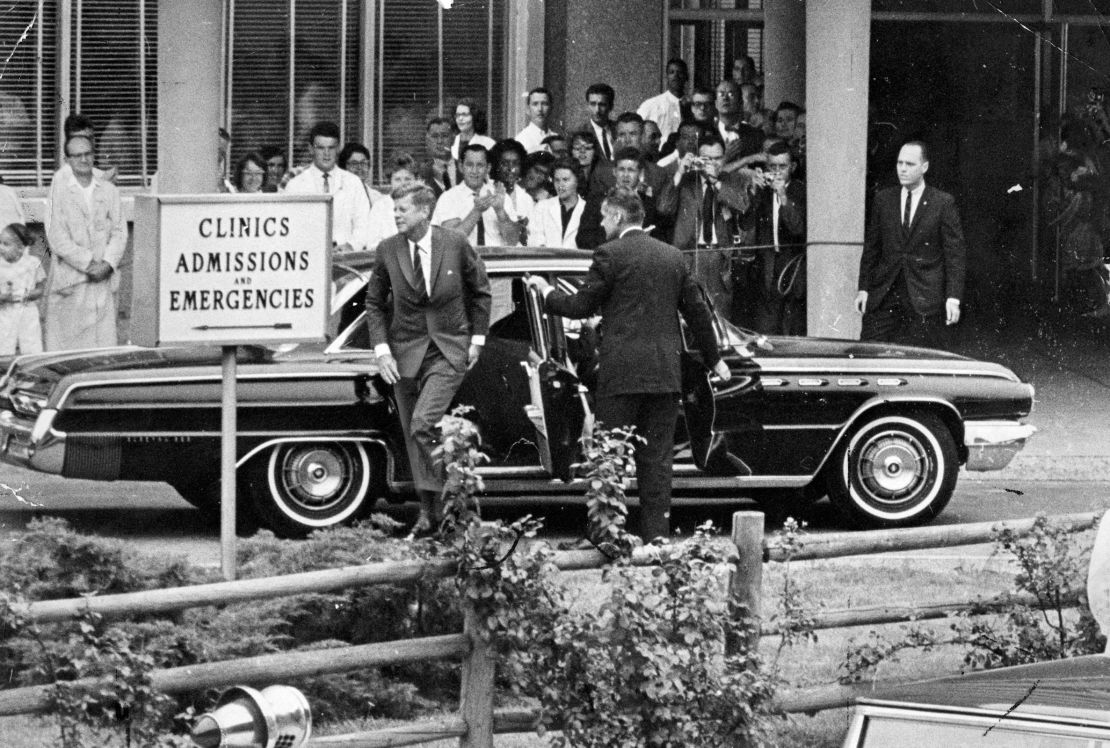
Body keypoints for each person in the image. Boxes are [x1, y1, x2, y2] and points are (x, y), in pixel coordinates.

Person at [525, 187, 730, 543]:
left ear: (619, 217)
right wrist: (715, 360)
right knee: (656, 463)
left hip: (620, 376)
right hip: (665, 376)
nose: (602, 224)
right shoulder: (672, 256)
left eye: (605, 216)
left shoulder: (609, 254)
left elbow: (580, 307)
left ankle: (607, 535)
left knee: (610, 458)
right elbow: (697, 314)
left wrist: (545, 292)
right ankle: (656, 539)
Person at [365, 183, 492, 535]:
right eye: (394, 209)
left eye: (402, 208)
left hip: (448, 350)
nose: (396, 214)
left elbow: (481, 291)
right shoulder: (388, 250)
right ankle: (429, 513)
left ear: (424, 211)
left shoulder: (454, 243)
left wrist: (476, 340)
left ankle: (458, 494)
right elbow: (374, 303)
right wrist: (382, 350)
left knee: (423, 424)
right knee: (414, 435)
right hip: (404, 355)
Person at [855, 141, 967, 350]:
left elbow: (955, 255)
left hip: (924, 297)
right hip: (885, 293)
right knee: (869, 352)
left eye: (909, 164)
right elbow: (872, 248)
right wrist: (863, 288)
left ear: (924, 167)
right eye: (899, 163)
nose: (903, 169)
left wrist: (953, 297)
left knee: (923, 358)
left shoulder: (942, 203)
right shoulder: (883, 200)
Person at [45, 134, 127, 351]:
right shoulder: (59, 191)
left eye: (88, 154)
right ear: (68, 160)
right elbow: (56, 236)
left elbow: (120, 232)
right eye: (77, 155)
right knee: (70, 350)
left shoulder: (109, 190)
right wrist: (89, 264)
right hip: (72, 281)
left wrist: (107, 264)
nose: (84, 159)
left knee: (102, 350)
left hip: (103, 280)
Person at [658, 132, 751, 319]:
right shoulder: (687, 182)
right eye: (707, 159)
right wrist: (679, 172)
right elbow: (663, 208)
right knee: (689, 317)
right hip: (690, 256)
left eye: (717, 158)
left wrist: (715, 181)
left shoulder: (732, 180)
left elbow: (742, 206)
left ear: (724, 158)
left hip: (719, 257)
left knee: (720, 317)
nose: (713, 164)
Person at [740, 141, 807, 335]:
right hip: (766, 268)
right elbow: (745, 224)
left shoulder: (801, 191)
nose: (777, 172)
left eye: (782, 167)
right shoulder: (762, 191)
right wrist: (753, 192)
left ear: (793, 167)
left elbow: (798, 228)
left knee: (792, 329)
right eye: (772, 167)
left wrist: (783, 196)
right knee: (765, 331)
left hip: (792, 267)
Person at [285, 121, 371, 253]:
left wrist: (351, 245)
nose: (326, 154)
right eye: (320, 148)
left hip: (345, 258)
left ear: (338, 149)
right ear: (311, 149)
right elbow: (291, 228)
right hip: (308, 256)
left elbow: (364, 224)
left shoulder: (353, 182)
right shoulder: (295, 185)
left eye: (331, 148)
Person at [431, 143, 522, 247]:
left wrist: (500, 212)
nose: (474, 171)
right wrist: (476, 211)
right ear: (461, 167)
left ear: (488, 168)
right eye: (469, 165)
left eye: (480, 165)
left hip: (497, 261)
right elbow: (451, 241)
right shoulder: (449, 198)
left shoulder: (499, 195)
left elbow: (513, 241)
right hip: (463, 262)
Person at [579, 147, 667, 248]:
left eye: (631, 170)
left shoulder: (649, 204)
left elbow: (659, 240)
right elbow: (582, 239)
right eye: (621, 169)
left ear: (641, 174)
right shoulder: (596, 201)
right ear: (614, 172)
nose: (625, 175)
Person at [0, 222, 44, 355]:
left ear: (20, 247)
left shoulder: (32, 263)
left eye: (6, 244)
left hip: (27, 309)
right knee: (4, 345)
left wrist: (32, 294)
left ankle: (32, 371)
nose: (1, 247)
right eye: (0, 243)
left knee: (31, 344)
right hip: (6, 310)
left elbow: (41, 288)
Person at [366, 152, 419, 250]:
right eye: (398, 179)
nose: (403, 184)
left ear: (415, 179)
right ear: (390, 181)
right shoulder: (380, 207)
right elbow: (372, 245)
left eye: (408, 179)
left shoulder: (420, 203)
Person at [530, 157, 586, 248]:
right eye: (557, 180)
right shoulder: (542, 207)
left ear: (577, 180)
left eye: (565, 180)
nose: (560, 185)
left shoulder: (588, 210)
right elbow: (535, 239)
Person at [490, 138, 535, 241]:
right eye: (505, 163)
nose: (511, 169)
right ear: (496, 165)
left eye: (516, 163)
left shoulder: (526, 198)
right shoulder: (488, 193)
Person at [637, 57, 689, 142]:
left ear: (686, 77)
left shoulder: (692, 106)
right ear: (666, 77)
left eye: (680, 72)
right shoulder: (652, 105)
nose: (675, 76)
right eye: (671, 72)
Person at [715, 79, 763, 165]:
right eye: (721, 94)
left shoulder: (756, 135)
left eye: (731, 94)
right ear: (715, 103)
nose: (725, 98)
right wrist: (725, 158)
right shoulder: (706, 133)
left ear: (740, 103)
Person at [421, 117, 459, 198]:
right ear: (427, 140)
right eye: (435, 136)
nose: (440, 141)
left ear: (453, 139)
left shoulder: (465, 167)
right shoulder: (421, 172)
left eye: (445, 136)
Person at [451, 98, 496, 162]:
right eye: (458, 115)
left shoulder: (488, 143)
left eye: (465, 115)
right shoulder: (451, 142)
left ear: (475, 117)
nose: (460, 118)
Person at [515, 87, 557, 154]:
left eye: (544, 104)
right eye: (535, 104)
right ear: (528, 109)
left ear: (551, 108)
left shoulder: (556, 138)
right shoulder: (521, 140)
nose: (540, 109)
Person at [584, 82, 616, 162]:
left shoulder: (619, 130)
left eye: (602, 105)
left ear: (611, 106)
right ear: (588, 106)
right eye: (593, 104)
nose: (597, 110)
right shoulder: (580, 133)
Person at [570, 129, 602, 194]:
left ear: (595, 152)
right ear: (571, 151)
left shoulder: (602, 177)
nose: (582, 151)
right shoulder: (567, 177)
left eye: (587, 148)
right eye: (577, 148)